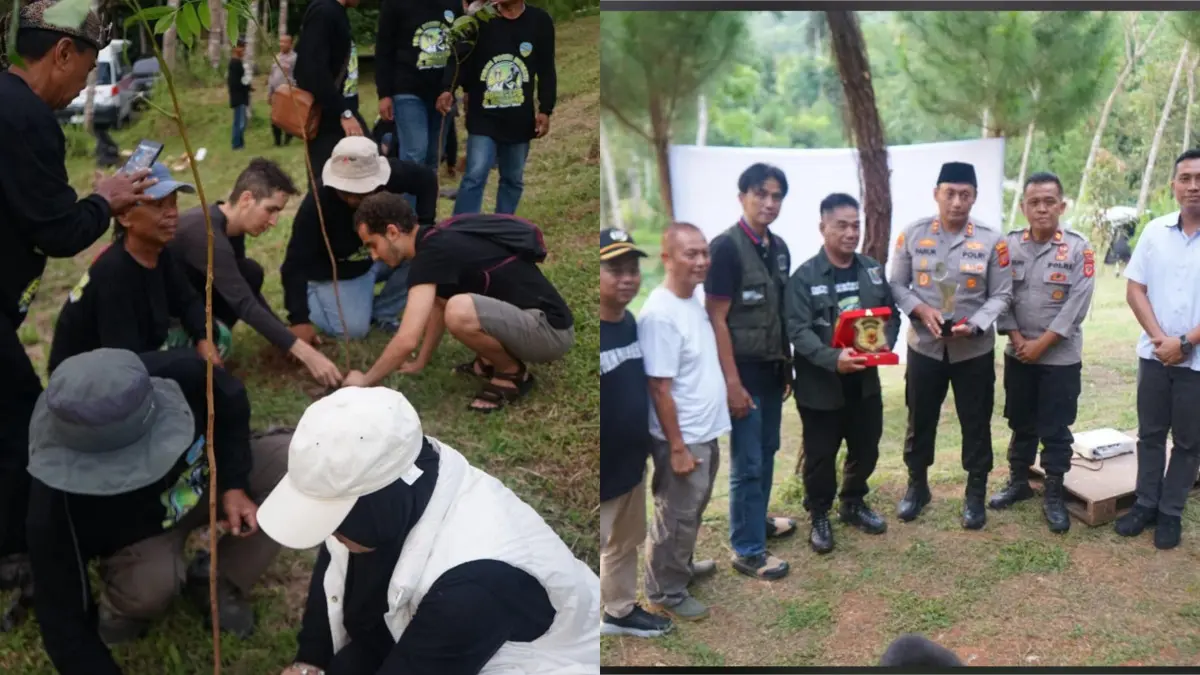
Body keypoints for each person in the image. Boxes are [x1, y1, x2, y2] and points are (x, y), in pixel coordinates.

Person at [256, 386, 600, 675]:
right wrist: (311, 661)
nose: (330, 535)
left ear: (380, 501)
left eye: (335, 521)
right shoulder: (402, 476)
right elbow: (337, 559)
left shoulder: (474, 586)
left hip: (520, 659)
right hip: (423, 625)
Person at [0, 0, 151, 601]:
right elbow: (59, 232)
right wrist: (106, 201)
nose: (83, 86)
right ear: (63, 52)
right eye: (87, 70)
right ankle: (17, 551)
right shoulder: (26, 117)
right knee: (21, 424)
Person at [26, 349, 289, 673]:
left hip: (202, 479)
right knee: (151, 586)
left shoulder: (183, 373)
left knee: (294, 468)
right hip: (141, 533)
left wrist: (235, 483)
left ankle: (218, 579)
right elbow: (61, 616)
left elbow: (230, 403)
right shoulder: (54, 500)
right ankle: (123, 608)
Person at [345, 193, 575, 413]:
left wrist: (365, 380)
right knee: (453, 306)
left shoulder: (430, 255)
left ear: (392, 232)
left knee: (459, 311)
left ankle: (511, 373)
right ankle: (488, 361)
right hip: (540, 322)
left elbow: (406, 339)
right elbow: (438, 305)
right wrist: (420, 361)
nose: (374, 256)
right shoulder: (435, 239)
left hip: (549, 332)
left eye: (373, 245)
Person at [888, 161, 1013, 530]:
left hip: (972, 351)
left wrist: (975, 325)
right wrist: (920, 309)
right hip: (924, 348)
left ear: (974, 197)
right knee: (919, 419)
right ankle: (917, 486)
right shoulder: (912, 234)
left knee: (976, 423)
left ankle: (975, 493)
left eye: (965, 194)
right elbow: (897, 285)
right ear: (936, 194)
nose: (957, 202)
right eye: (950, 193)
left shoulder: (992, 240)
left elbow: (1002, 294)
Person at [785, 193, 899, 554]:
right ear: (823, 227)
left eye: (856, 225)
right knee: (820, 456)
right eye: (842, 225)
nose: (851, 233)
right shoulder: (804, 278)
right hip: (822, 385)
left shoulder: (871, 270)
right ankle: (819, 513)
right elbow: (797, 330)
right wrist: (833, 358)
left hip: (864, 382)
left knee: (866, 447)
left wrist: (883, 345)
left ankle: (853, 501)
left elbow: (890, 313)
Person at [168, 158, 343, 387]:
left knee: (250, 272)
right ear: (246, 199)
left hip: (190, 299)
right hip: (164, 319)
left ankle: (211, 335)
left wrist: (285, 337)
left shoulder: (230, 226)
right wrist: (307, 355)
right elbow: (243, 303)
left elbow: (244, 289)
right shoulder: (207, 235)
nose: (274, 221)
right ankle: (194, 347)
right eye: (270, 210)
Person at [703, 164, 795, 580]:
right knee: (748, 463)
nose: (769, 203)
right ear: (742, 197)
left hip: (773, 370)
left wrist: (787, 365)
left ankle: (757, 522)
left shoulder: (779, 247)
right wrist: (732, 383)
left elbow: (780, 312)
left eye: (776, 196)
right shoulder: (725, 248)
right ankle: (747, 548)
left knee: (768, 450)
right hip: (742, 373)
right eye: (761, 194)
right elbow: (716, 318)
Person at [990, 172, 1095, 534]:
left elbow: (1077, 304)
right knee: (1020, 421)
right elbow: (1000, 295)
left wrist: (1041, 344)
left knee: (1055, 427)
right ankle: (1018, 481)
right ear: (1023, 207)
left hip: (1059, 359)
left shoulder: (1079, 248)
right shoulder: (1008, 246)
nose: (1042, 208)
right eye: (1034, 202)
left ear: (1061, 206)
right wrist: (1018, 338)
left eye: (1049, 202)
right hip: (1019, 353)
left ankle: (1053, 493)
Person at [46, 162, 221, 373]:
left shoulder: (160, 254)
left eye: (173, 203)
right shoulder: (113, 273)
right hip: (85, 377)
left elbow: (188, 301)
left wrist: (204, 339)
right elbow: (124, 363)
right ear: (125, 216)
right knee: (191, 365)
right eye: (158, 205)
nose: (172, 213)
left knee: (214, 341)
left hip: (127, 358)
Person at [639, 222, 727, 622]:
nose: (701, 261)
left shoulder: (691, 301)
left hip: (702, 430)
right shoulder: (660, 314)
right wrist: (676, 447)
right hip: (682, 437)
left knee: (691, 510)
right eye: (691, 253)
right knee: (675, 515)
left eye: (704, 252)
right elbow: (660, 388)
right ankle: (665, 590)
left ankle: (681, 566)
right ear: (667, 259)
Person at [1116, 148, 1200, 550]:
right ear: (1173, 185)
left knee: (1189, 441)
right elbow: (1135, 289)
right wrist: (1161, 340)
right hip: (1154, 357)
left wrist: (1185, 343)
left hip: (1196, 364)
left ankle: (1170, 512)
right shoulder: (1153, 232)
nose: (1193, 186)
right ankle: (1145, 504)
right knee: (1150, 434)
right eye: (1186, 178)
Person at [281, 137, 437, 342]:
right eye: (346, 192)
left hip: (379, 257)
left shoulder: (391, 175)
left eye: (361, 191)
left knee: (425, 251)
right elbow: (294, 263)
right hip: (340, 272)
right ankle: (316, 293)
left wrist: (425, 226)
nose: (353, 198)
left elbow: (427, 179)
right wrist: (299, 319)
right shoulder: (316, 204)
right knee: (353, 331)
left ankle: (383, 312)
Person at [599, 228, 672, 638]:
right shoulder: (592, 329)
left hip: (631, 463)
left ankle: (619, 610)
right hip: (601, 470)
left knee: (625, 541)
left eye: (632, 270)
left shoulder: (630, 323)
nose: (627, 278)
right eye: (615, 270)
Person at [437, 0, 556, 216]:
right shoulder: (479, 20)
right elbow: (459, 60)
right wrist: (448, 89)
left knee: (513, 178)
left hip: (519, 117)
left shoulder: (540, 21)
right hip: (483, 116)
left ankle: (503, 224)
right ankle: (463, 227)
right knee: (475, 174)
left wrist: (545, 109)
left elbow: (546, 69)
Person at [375, 0, 461, 174]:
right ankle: (408, 192)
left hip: (442, 92)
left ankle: (427, 192)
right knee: (414, 153)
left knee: (434, 155)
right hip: (407, 88)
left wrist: (449, 88)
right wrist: (384, 94)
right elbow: (384, 50)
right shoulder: (394, 4)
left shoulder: (454, 4)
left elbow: (459, 51)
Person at [293, 0, 368, 189]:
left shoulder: (336, 12)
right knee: (325, 183)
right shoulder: (324, 13)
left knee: (366, 171)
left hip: (342, 111)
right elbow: (310, 71)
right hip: (328, 115)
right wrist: (343, 112)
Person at [268, 35, 298, 147]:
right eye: (280, 42)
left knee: (287, 118)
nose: (282, 44)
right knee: (274, 117)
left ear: (290, 44)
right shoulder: (277, 57)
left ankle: (287, 140)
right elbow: (272, 75)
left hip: (288, 92)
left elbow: (298, 75)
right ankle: (277, 142)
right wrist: (269, 93)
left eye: (285, 42)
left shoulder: (295, 58)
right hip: (276, 92)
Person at [228, 41, 251, 150]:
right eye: (241, 47)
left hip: (240, 96)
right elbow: (235, 82)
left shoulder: (238, 63)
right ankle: (237, 145)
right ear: (235, 48)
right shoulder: (235, 64)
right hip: (239, 97)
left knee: (240, 121)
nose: (243, 50)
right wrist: (246, 85)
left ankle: (240, 143)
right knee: (240, 123)